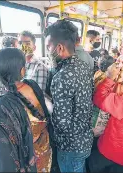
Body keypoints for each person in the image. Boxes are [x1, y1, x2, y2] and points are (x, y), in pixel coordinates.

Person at [45, 19, 93, 173]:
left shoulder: (62, 76)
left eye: (48, 47)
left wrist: (48, 106)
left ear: (59, 48)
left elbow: (62, 123)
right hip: (85, 138)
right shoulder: (84, 66)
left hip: (70, 146)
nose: (47, 52)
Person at [0, 48, 53, 172]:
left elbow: (3, 150)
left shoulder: (0, 105)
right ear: (22, 70)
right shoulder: (32, 85)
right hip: (44, 149)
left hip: (27, 160)